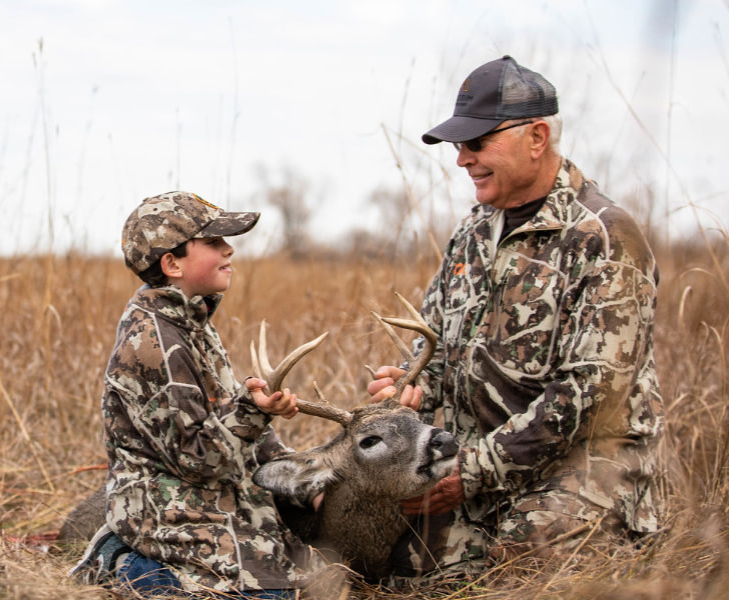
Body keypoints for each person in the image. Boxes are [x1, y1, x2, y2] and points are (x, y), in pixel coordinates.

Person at [366, 56, 664, 580]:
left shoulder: (607, 237)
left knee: (520, 570)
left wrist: (473, 473)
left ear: (538, 136)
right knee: (382, 556)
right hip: (473, 473)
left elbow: (590, 395)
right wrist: (415, 384)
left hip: (579, 474)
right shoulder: (472, 232)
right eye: (458, 145)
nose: (463, 160)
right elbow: (437, 342)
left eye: (477, 143)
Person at [72, 191, 312, 598]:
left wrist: (299, 476)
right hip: (157, 502)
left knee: (298, 568)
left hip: (203, 484)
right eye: (214, 243)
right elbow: (197, 460)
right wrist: (252, 412)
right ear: (172, 264)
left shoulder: (191, 320)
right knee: (268, 591)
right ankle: (120, 562)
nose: (229, 249)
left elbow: (221, 415)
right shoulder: (153, 343)